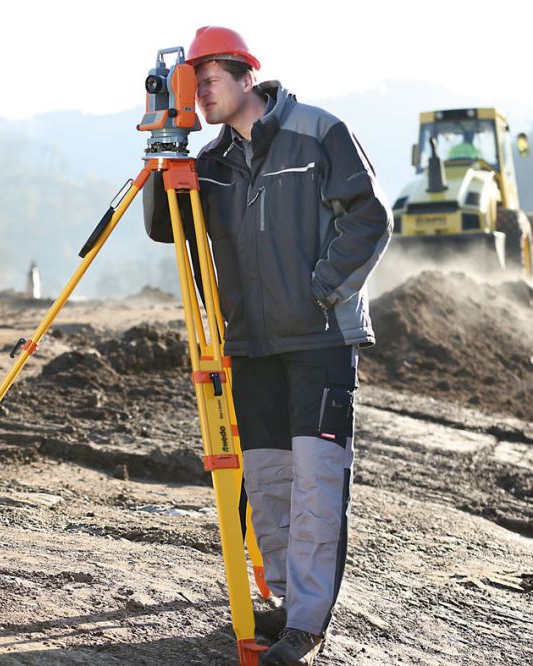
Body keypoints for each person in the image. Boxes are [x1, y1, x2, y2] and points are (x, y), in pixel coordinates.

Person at [143, 26, 392, 666]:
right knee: (270, 482)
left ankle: (307, 625)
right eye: (191, 87)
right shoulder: (214, 164)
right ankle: (284, 600)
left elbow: (369, 217)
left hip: (319, 339)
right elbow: (163, 227)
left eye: (209, 82)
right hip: (250, 346)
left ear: (247, 75)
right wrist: (164, 148)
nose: (199, 96)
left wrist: (322, 290)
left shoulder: (318, 131)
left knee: (315, 483)